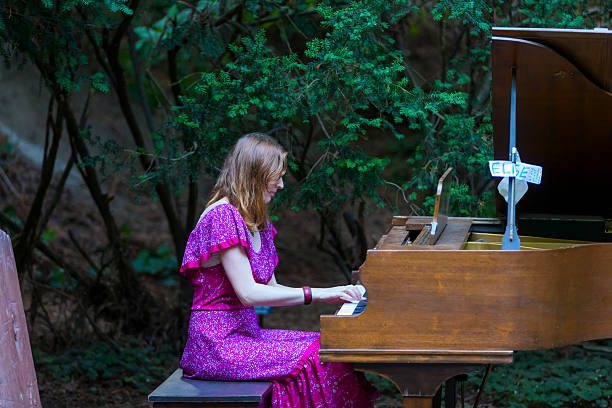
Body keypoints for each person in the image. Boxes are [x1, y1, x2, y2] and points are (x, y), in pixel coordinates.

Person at [179, 133, 379, 407]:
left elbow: (270, 288)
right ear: (255, 173)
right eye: (277, 176)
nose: (282, 185)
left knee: (331, 347)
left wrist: (330, 295)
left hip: (248, 336)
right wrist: (318, 294)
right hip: (217, 346)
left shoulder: (254, 220)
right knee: (317, 357)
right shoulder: (222, 216)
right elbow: (249, 294)